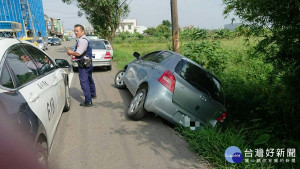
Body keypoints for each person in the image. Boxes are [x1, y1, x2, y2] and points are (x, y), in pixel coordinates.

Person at [66, 24, 96, 107]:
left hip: (83, 65)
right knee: (89, 79)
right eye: (74, 31)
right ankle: (93, 94)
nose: (75, 32)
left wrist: (71, 52)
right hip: (88, 63)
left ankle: (88, 101)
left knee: (84, 82)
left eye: (77, 31)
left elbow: (78, 53)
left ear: (82, 31)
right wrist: (72, 53)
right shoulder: (86, 39)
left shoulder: (82, 40)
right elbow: (81, 52)